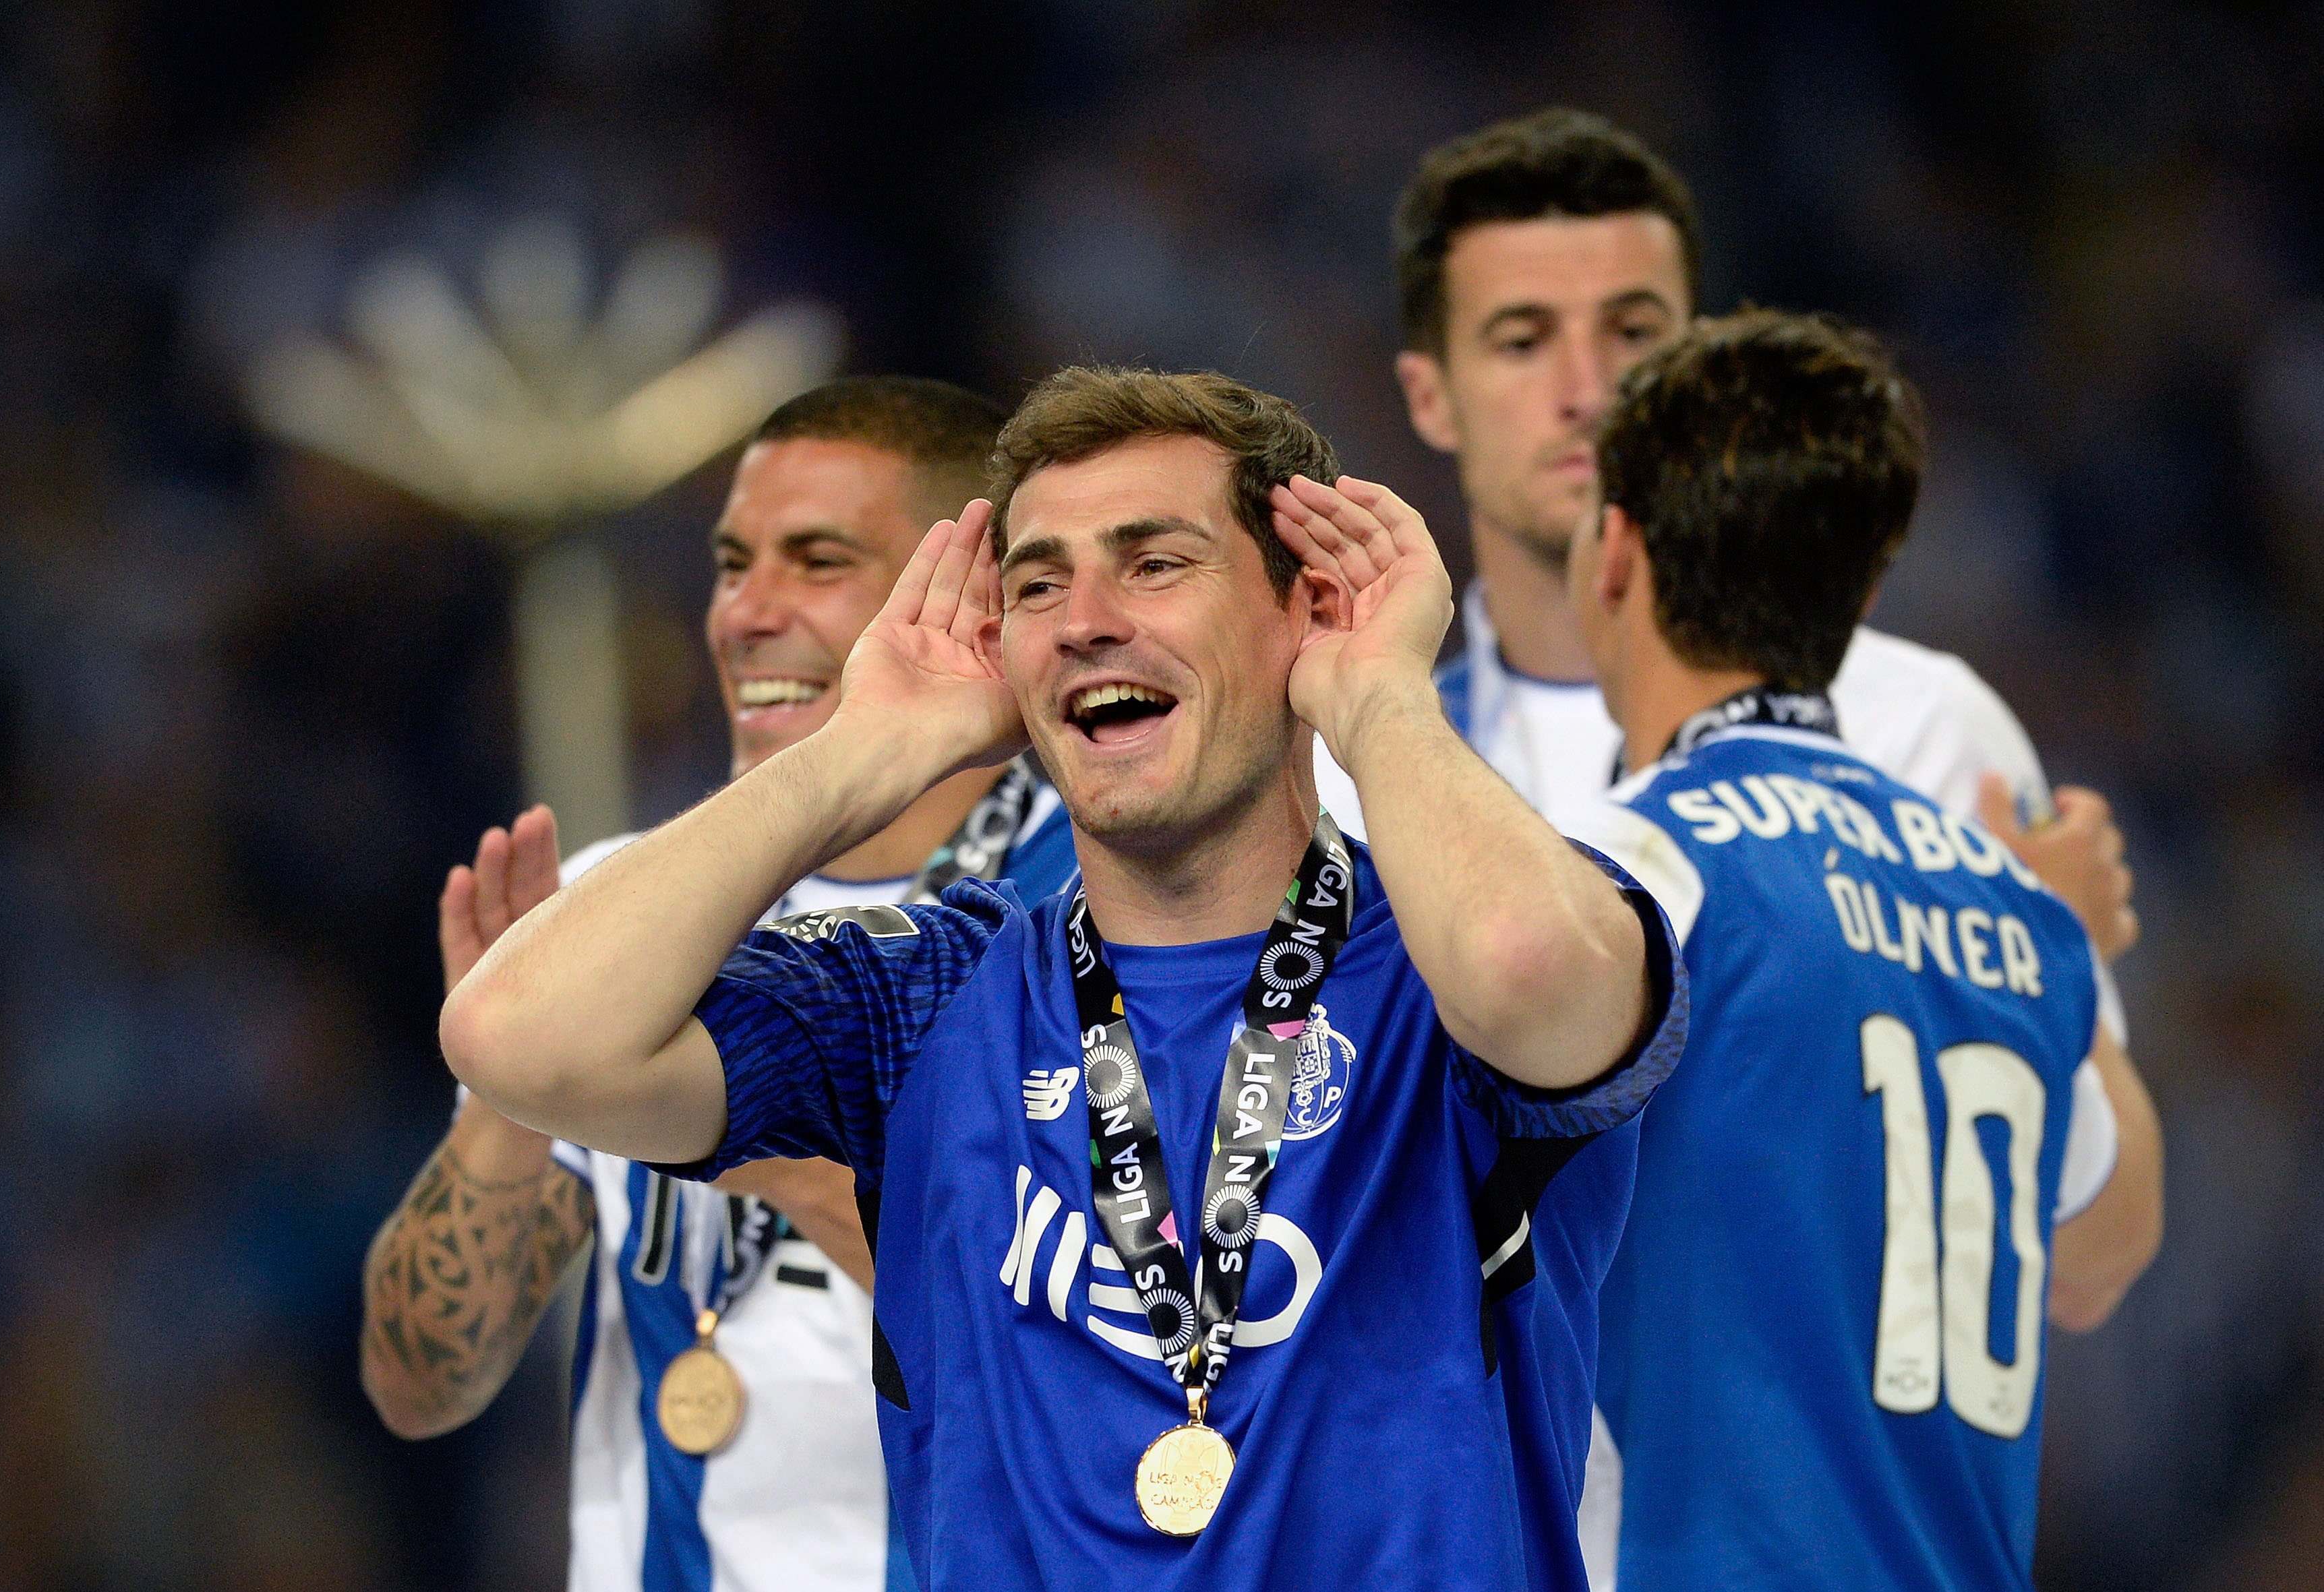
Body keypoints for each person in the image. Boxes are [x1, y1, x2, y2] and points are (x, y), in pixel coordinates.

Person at [440, 366, 1688, 1589]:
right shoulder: (926, 995)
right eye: (1038, 583)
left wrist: (1379, 698)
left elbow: (1534, 974)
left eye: (1154, 563)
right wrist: (866, 753)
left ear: (1302, 605)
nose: (1088, 616)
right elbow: (518, 1033)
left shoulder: (1452, 955)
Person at [361, 376, 1077, 1592]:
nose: (744, 612)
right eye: (731, 561)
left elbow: (1123, 1369)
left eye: (815, 560)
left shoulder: (1093, 909)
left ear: (968, 597)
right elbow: (422, 1380)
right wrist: (515, 1087)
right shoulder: (620, 916)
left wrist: (758, 1134)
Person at [1562, 309, 2163, 1587]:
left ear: (1610, 553)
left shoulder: (1636, 859)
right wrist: (2061, 934)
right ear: (1862, 589)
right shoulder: (2007, 905)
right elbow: (2111, 1230)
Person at [1334, 108, 2136, 965]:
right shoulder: (1352, 775)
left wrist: (2064, 972)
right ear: (1430, 397)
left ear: (1696, 361)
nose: (1589, 390)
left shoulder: (1922, 724)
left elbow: (2078, 1097)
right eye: (1524, 341)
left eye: (1634, 332)